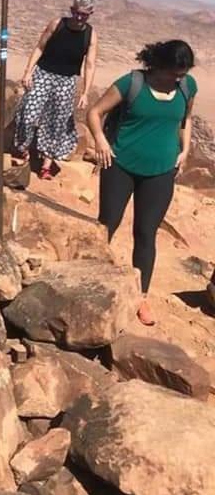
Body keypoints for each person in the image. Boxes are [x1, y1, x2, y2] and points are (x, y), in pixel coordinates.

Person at [86, 40, 197, 326]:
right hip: (120, 164)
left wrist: (184, 150)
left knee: (146, 233)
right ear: (157, 65)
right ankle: (89, 280)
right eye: (173, 73)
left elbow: (186, 119)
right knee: (106, 224)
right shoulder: (131, 83)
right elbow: (94, 113)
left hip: (161, 170)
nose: (178, 79)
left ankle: (141, 295)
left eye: (182, 74)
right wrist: (100, 141)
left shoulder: (187, 88)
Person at [13, 0, 98, 179]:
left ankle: (46, 164)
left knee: (57, 122)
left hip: (66, 80)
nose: (79, 17)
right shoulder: (57, 24)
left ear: (90, 13)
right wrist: (28, 71)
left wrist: (85, 92)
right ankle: (22, 149)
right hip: (43, 73)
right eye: (76, 12)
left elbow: (90, 65)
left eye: (83, 14)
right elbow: (40, 47)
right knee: (28, 113)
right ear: (71, 10)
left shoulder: (90, 35)